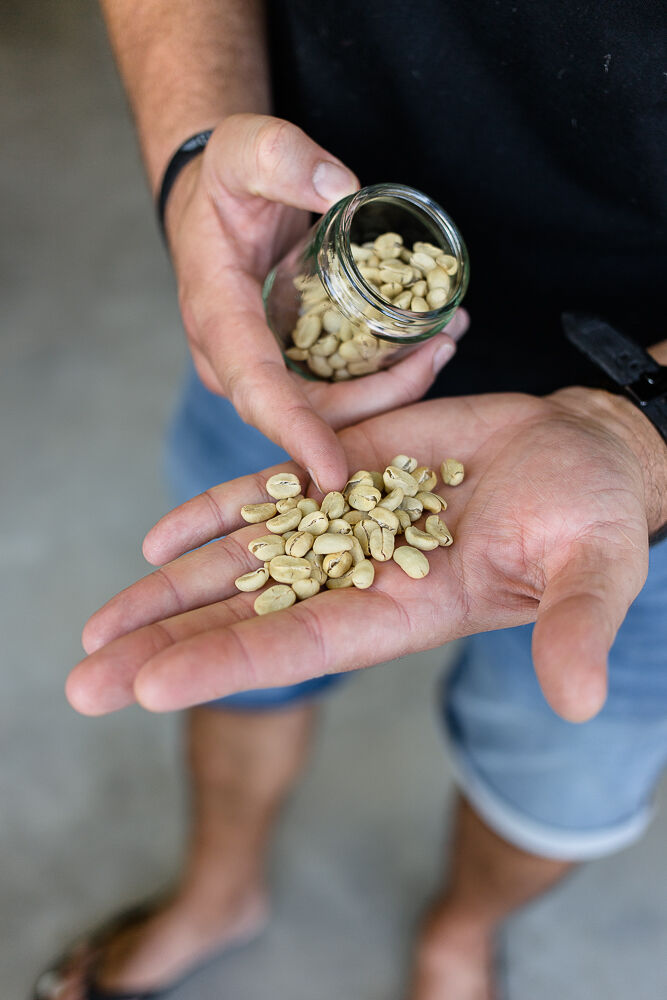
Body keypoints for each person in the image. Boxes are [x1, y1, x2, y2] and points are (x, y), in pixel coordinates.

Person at [36, 2, 667, 999]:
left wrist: (642, 431)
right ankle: (219, 888)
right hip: (301, 336)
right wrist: (195, 147)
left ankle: (461, 927)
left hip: (645, 430)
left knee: (561, 777)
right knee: (234, 652)